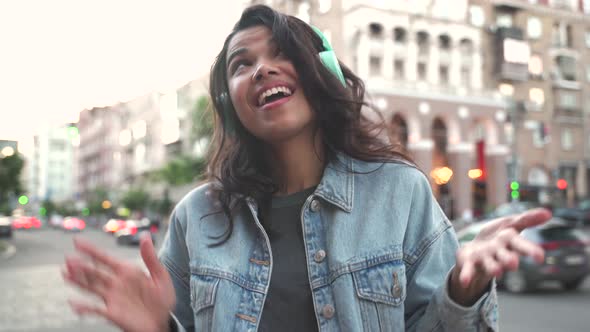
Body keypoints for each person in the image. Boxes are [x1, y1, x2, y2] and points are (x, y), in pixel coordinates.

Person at [63, 5, 551, 332]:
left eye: (282, 55)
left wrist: (462, 291)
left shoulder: (401, 192)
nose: (262, 69)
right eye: (241, 64)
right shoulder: (198, 216)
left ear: (320, 75)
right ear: (230, 103)